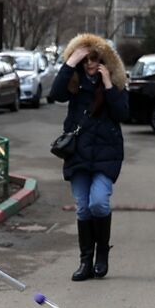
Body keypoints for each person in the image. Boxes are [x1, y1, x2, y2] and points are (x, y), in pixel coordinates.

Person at [48, 33, 128, 281]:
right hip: (78, 154)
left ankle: (101, 256)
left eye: (94, 58)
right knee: (83, 208)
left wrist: (107, 84)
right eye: (85, 60)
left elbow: (123, 113)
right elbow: (55, 94)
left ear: (104, 59)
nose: (90, 64)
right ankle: (85, 262)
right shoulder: (74, 84)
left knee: (99, 202)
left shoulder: (114, 84)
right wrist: (70, 62)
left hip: (106, 154)